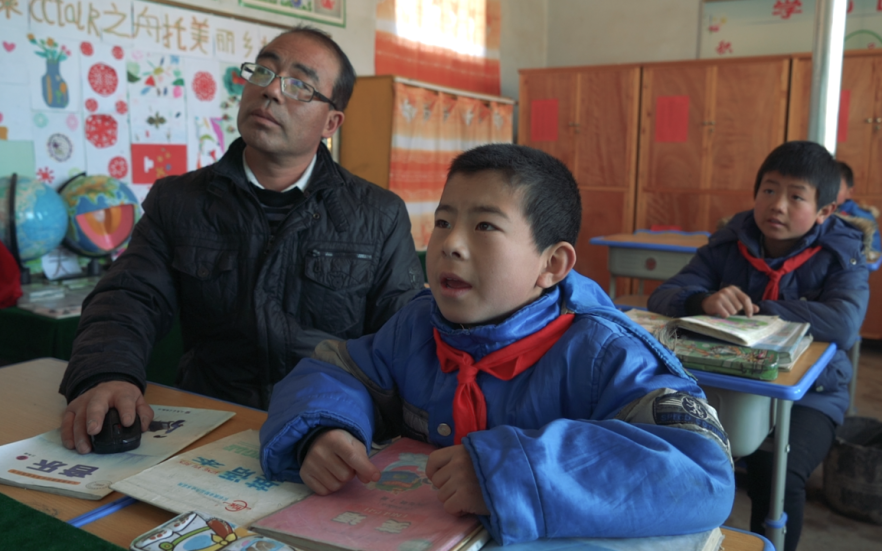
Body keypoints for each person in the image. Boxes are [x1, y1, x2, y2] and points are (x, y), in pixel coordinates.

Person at [259, 144, 735, 545]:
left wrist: (507, 475)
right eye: (443, 222)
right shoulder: (416, 326)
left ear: (552, 264)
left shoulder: (604, 352)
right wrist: (322, 431)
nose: (451, 245)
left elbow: (701, 468)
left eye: (484, 226)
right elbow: (338, 372)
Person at [59, 26, 424, 454]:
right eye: (264, 73)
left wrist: (343, 420)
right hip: (214, 425)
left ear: (331, 122)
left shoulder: (378, 214)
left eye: (300, 86)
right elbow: (129, 297)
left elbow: (401, 346)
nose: (271, 92)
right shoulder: (180, 201)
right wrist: (107, 373)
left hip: (330, 429)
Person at [647, 141, 870, 551]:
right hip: (731, 387)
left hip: (812, 396)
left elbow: (843, 324)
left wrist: (756, 311)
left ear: (825, 211)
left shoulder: (842, 254)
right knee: (672, 448)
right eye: (769, 190)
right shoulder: (730, 242)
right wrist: (702, 301)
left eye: (796, 196)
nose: (777, 205)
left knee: (776, 475)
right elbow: (663, 294)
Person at [835, 161, 882, 255]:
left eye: (835, 187)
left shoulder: (862, 218)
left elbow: (873, 254)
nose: (827, 192)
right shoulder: (816, 211)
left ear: (850, 192)